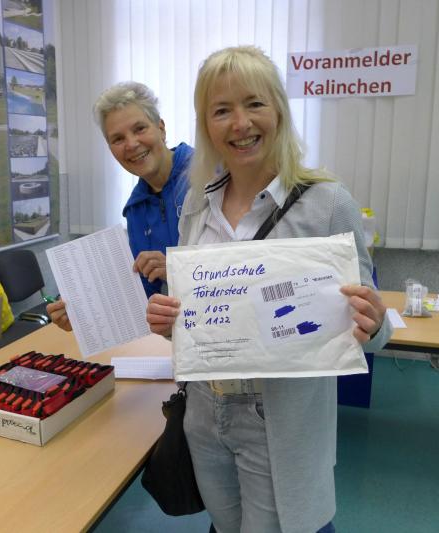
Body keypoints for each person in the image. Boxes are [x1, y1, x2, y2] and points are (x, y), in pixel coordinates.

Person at [146, 46, 392, 533]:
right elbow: (198, 315)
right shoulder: (195, 204)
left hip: (280, 414)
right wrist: (171, 321)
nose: (240, 123)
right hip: (205, 413)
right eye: (221, 110)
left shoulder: (327, 203)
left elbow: (375, 336)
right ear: (206, 125)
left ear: (278, 109)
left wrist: (375, 322)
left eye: (254, 103)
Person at [47, 81, 193, 331]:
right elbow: (142, 294)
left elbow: (241, 268)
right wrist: (83, 315)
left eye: (140, 128)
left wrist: (175, 269)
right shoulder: (135, 209)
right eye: (118, 138)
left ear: (161, 128)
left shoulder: (209, 177)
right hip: (174, 335)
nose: (131, 144)